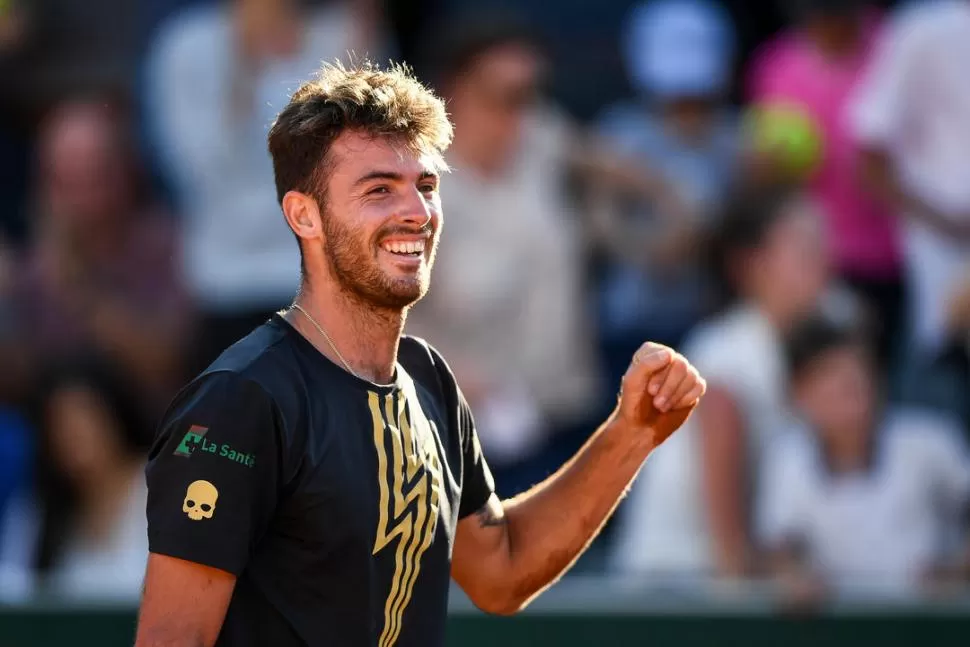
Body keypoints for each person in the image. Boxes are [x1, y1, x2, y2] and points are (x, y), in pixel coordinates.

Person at [133, 61, 706, 647]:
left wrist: (632, 432)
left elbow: (501, 572)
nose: (417, 212)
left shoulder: (428, 379)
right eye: (380, 189)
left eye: (426, 187)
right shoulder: (242, 400)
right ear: (304, 215)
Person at [610, 186, 845, 580]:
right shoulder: (724, 352)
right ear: (751, 265)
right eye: (804, 250)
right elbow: (730, 551)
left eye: (822, 249)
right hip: (676, 583)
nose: (823, 264)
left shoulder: (814, 347)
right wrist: (738, 583)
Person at [758, 315, 970, 604]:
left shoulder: (930, 441)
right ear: (800, 394)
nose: (851, 383)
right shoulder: (788, 458)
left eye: (859, 371)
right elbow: (781, 547)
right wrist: (794, 577)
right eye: (830, 375)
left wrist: (957, 571)